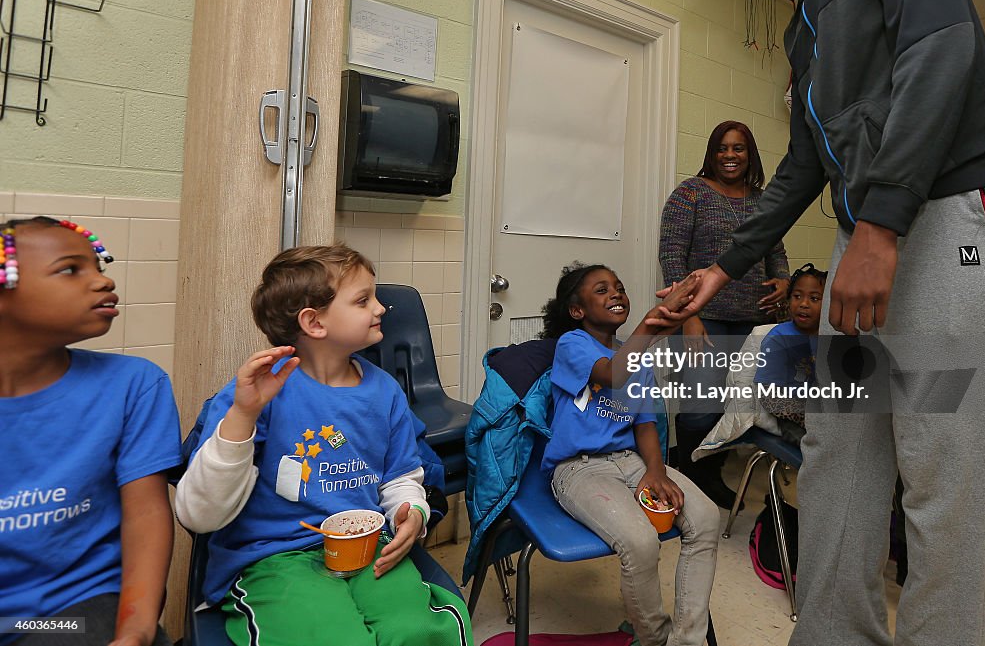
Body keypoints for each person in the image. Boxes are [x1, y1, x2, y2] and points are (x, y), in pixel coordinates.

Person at [679, 0, 985, 646]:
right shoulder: (805, 28)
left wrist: (880, 224)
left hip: (942, 205)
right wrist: (726, 265)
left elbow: (941, 44)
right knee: (838, 449)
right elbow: (803, 163)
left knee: (949, 462)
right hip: (865, 224)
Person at [174, 244, 470, 646]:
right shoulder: (255, 396)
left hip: (368, 549)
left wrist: (411, 510)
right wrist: (242, 416)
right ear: (314, 323)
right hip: (275, 557)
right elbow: (199, 515)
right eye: (364, 300)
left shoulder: (384, 393)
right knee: (335, 637)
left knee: (421, 631)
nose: (381, 308)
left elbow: (402, 475)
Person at [0, 217, 180, 646]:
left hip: (64, 619)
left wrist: (134, 633)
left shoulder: (133, 385)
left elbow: (147, 514)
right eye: (70, 270)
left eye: (97, 267)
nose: (103, 281)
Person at [540, 262, 718, 646]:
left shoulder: (637, 354)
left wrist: (656, 471)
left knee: (705, 519)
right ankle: (652, 637)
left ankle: (686, 641)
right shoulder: (572, 345)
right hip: (579, 470)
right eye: (601, 290)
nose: (616, 294)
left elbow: (644, 424)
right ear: (577, 311)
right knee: (640, 543)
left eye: (619, 287)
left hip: (631, 461)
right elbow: (612, 375)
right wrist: (654, 323)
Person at [659, 120, 789, 507]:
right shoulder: (691, 194)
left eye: (739, 148)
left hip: (757, 321)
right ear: (712, 154)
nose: (730, 156)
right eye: (722, 148)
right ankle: (690, 480)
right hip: (706, 318)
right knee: (701, 407)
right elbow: (672, 257)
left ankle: (711, 472)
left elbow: (775, 252)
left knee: (742, 405)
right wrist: (688, 316)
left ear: (750, 155)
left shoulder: (763, 200)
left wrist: (782, 280)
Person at [754, 263, 826, 443]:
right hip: (791, 414)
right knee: (815, 446)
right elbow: (768, 395)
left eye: (814, 298)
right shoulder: (779, 338)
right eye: (797, 296)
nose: (803, 304)